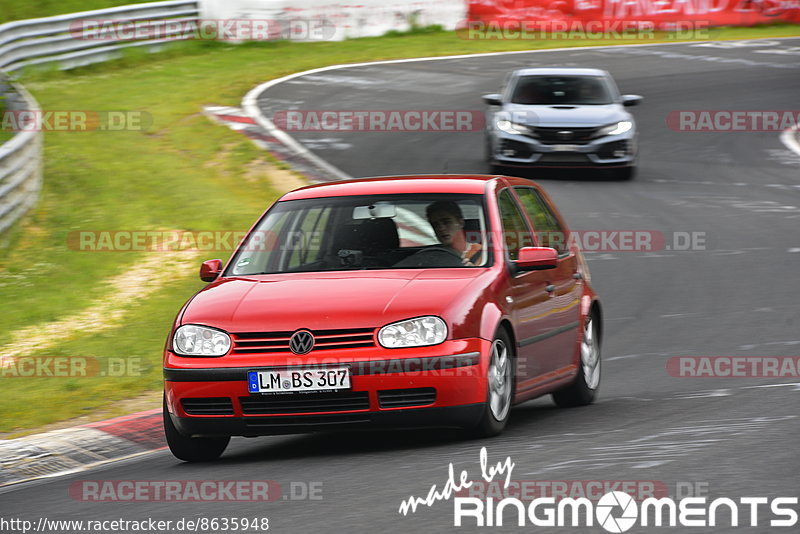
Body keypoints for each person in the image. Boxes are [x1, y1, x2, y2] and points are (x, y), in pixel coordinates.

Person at [425, 201, 483, 266]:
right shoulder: (430, 256)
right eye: (435, 225)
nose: (441, 228)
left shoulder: (483, 254)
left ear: (461, 223)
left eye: (447, 222)